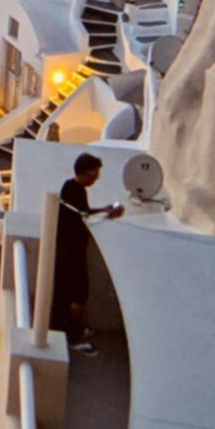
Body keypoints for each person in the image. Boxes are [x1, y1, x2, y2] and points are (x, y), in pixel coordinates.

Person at [51, 151, 123, 356]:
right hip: (70, 253)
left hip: (70, 250)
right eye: (95, 175)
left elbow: (81, 211)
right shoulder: (73, 189)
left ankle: (75, 331)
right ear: (88, 173)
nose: (96, 179)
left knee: (73, 293)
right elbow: (82, 214)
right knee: (77, 294)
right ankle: (74, 337)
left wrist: (103, 210)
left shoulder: (73, 188)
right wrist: (106, 213)